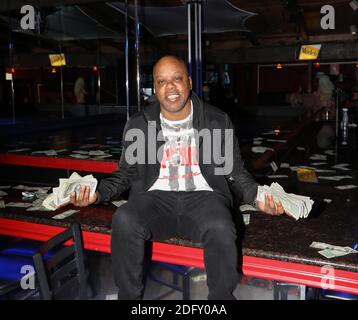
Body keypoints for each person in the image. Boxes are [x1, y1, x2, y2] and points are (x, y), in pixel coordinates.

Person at [69, 55, 286, 300]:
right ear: (155, 89)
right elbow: (125, 174)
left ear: (189, 82)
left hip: (205, 197)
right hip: (155, 199)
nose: (170, 87)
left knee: (221, 226)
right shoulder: (139, 124)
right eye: (162, 82)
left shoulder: (217, 120)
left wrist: (259, 197)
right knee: (125, 218)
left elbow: (235, 172)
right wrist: (96, 193)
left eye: (177, 79)